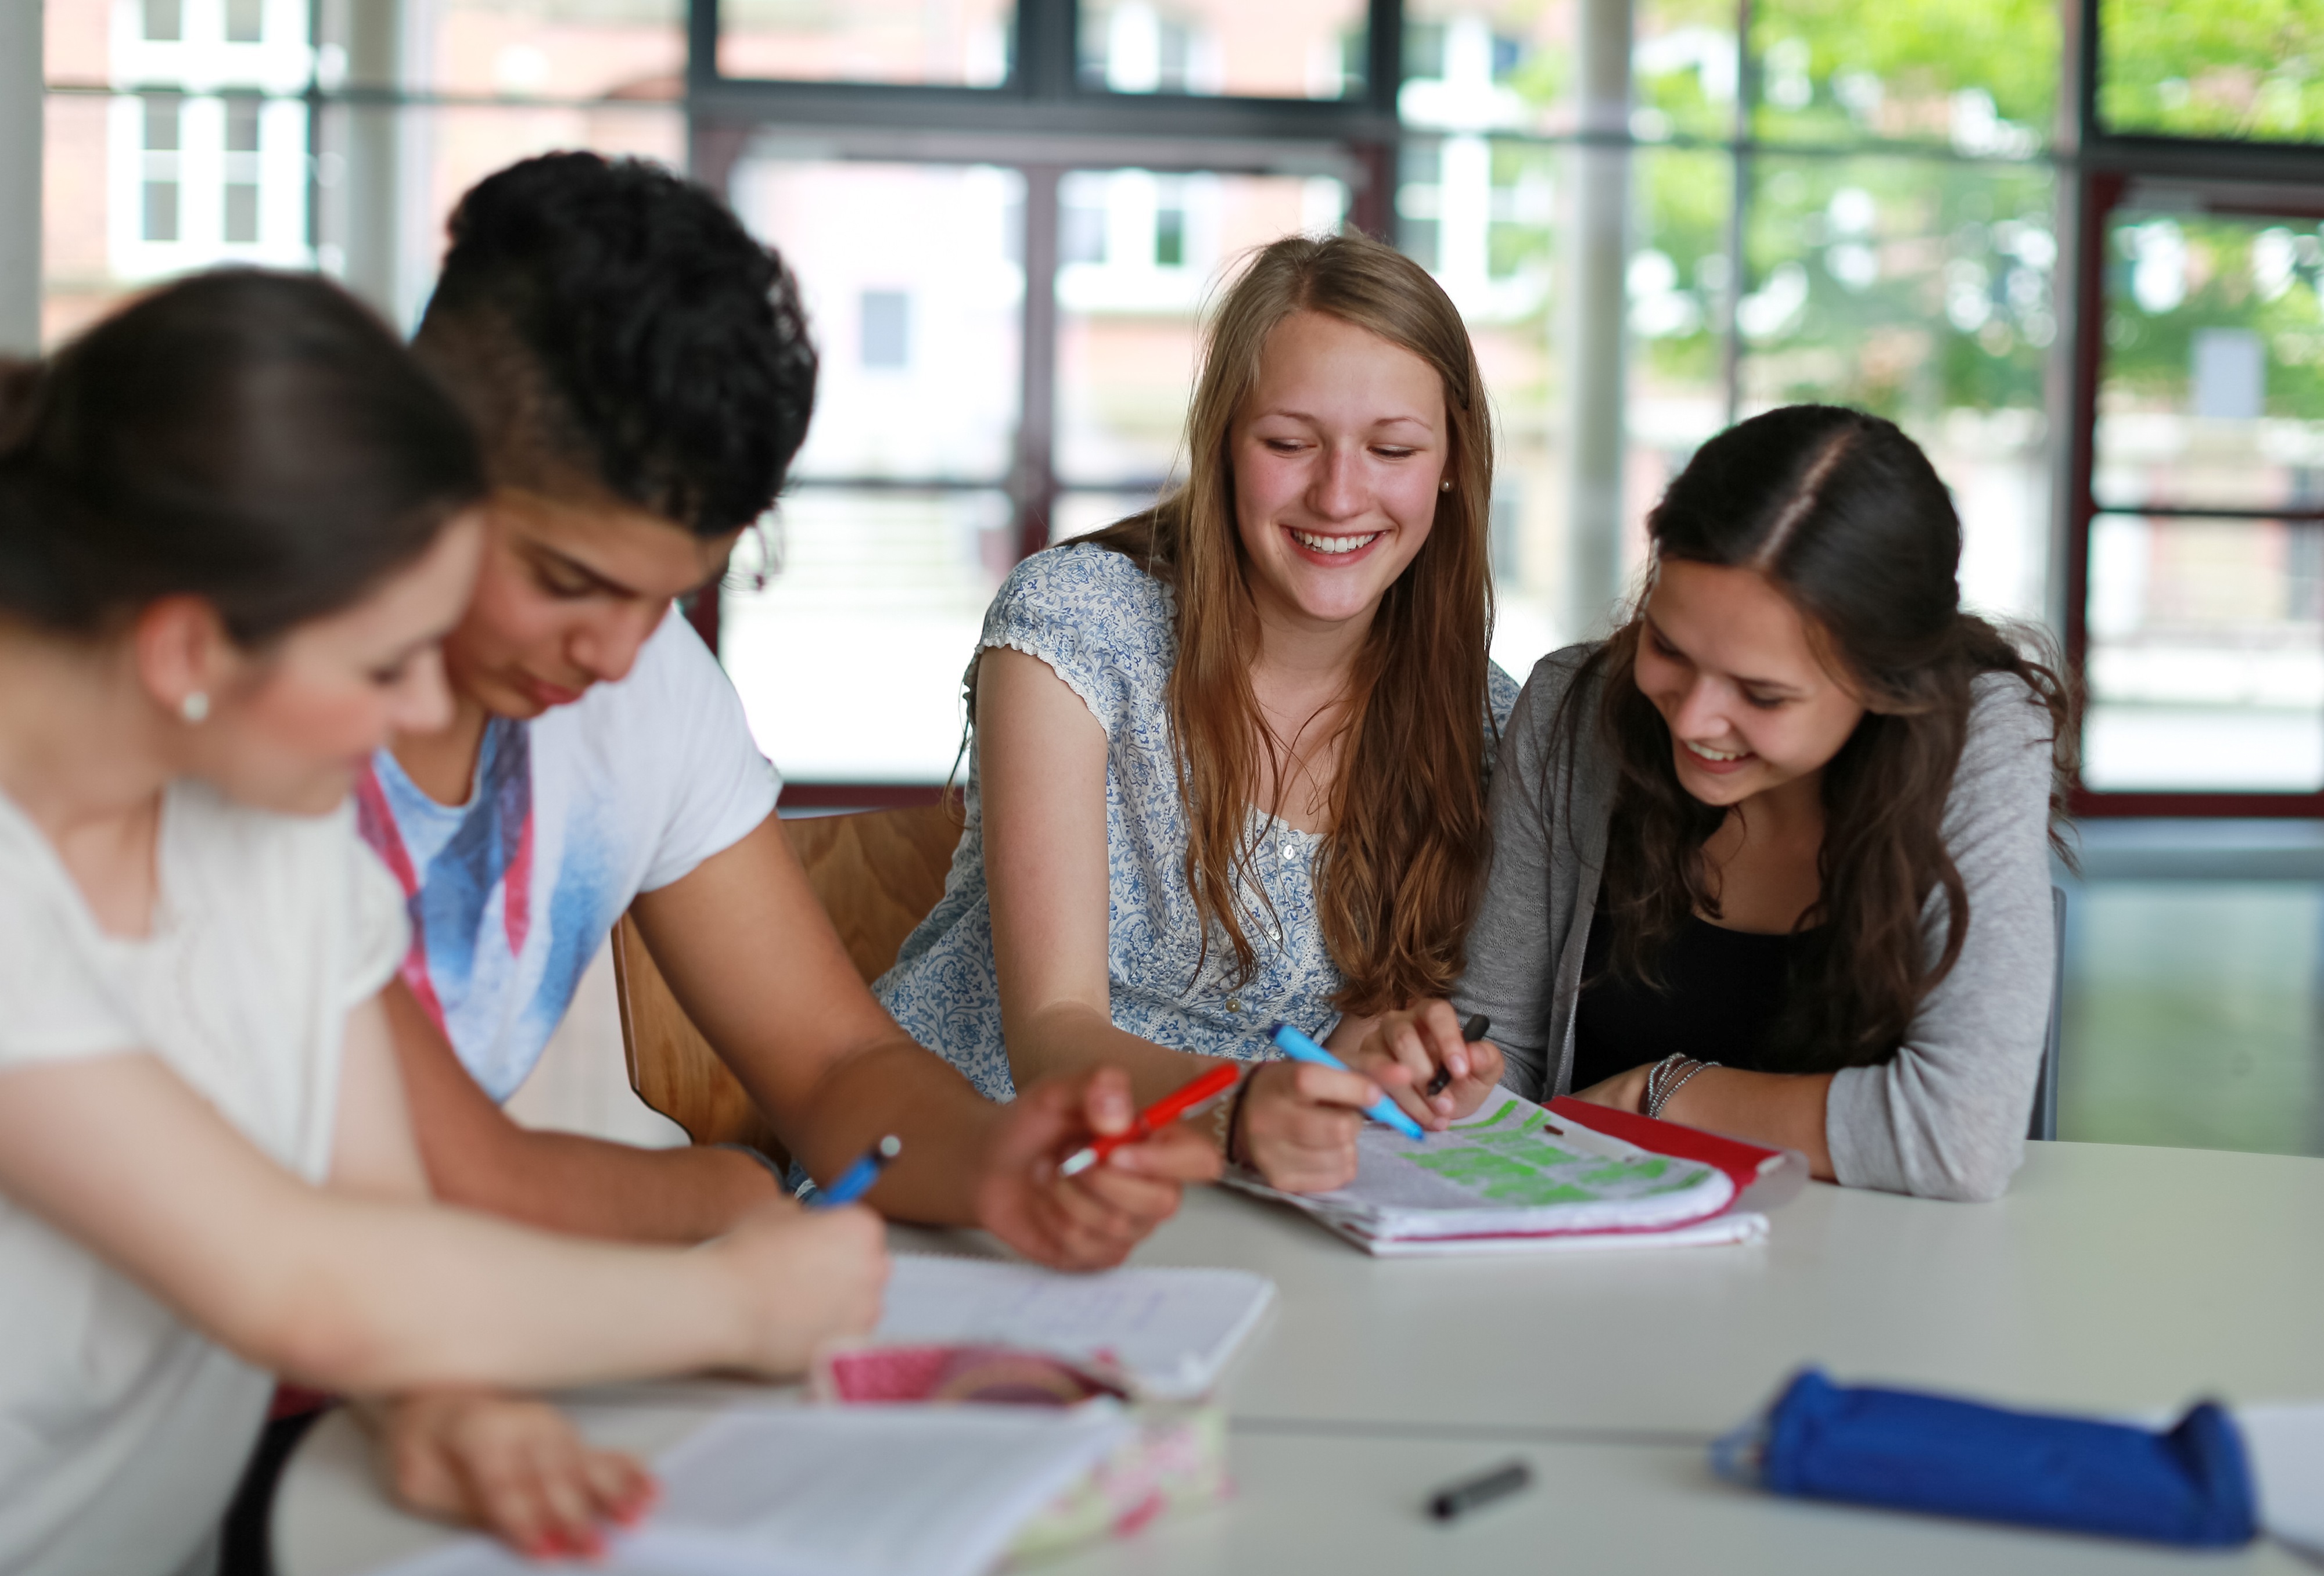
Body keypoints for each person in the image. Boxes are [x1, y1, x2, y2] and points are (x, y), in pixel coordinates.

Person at [0, 271, 888, 1576]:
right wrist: (733, 1299)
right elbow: (292, 1276)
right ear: (186, 650)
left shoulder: (269, 819)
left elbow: (376, 1215)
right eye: (382, 665)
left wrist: (445, 1400)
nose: (424, 702)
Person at [371, 152, 1215, 1264]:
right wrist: (719, 1198)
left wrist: (998, 1161)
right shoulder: (259, 727)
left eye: (679, 587)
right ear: (419, 461)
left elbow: (830, 1065)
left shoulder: (647, 685)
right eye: (571, 581)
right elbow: (390, 1179)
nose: (621, 651)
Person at [875, 232, 1521, 1194]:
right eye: (1288, 443)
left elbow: (1340, 1040)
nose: (1339, 494)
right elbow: (1052, 1032)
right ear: (1221, 444)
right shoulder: (1075, 624)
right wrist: (1245, 1105)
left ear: (1450, 465)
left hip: (1241, 1193)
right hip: (974, 1162)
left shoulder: (1479, 721)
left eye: (1390, 448)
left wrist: (1384, 1054)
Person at [1359, 404, 2072, 1202]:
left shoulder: (1979, 736)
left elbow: (1961, 1132)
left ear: (1886, 683)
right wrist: (1456, 1078)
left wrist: (1660, 1095)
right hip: (1593, 1259)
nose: (1694, 720)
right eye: (1666, 646)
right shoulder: (1573, 710)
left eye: (1761, 694)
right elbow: (1510, 1054)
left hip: (1872, 1282)